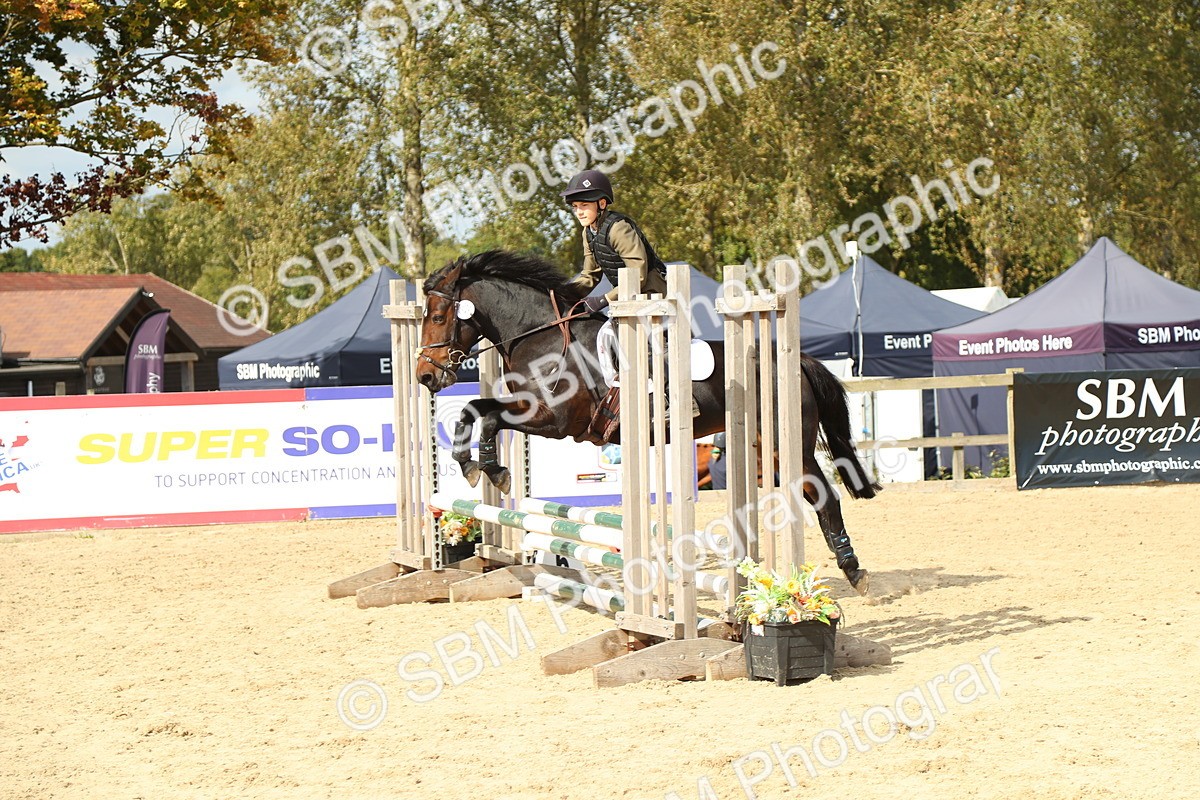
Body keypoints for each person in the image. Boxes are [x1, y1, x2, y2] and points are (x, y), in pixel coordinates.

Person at [561, 169, 668, 310]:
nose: (579, 212)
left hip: (652, 296)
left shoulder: (618, 229)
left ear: (602, 204)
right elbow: (590, 276)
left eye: (584, 205)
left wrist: (604, 299)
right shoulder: (588, 233)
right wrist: (563, 293)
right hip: (626, 297)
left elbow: (638, 276)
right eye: (575, 207)